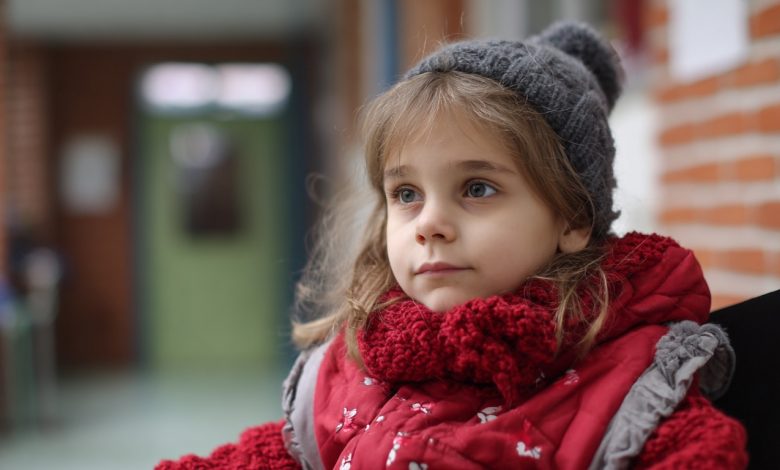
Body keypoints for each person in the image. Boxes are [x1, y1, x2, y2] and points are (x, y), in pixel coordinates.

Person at [157, 21, 748, 469]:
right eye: (407, 194)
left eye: (477, 188)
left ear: (572, 215)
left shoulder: (634, 389)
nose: (429, 223)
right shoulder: (354, 362)